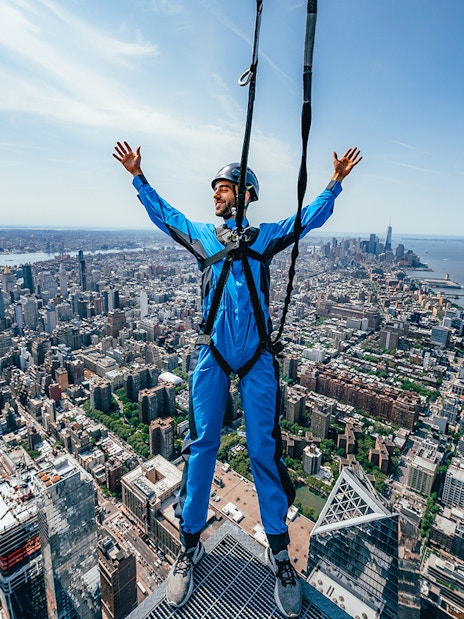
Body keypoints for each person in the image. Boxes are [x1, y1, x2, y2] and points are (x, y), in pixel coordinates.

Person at [113, 141, 362, 617]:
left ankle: (280, 553)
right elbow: (167, 217)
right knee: (202, 446)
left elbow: (303, 220)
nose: (215, 196)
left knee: (263, 451)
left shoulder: (264, 238)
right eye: (215, 190)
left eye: (223, 189)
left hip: (257, 359)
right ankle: (189, 547)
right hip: (212, 355)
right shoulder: (206, 238)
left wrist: (334, 184)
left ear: (245, 194)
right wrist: (139, 179)